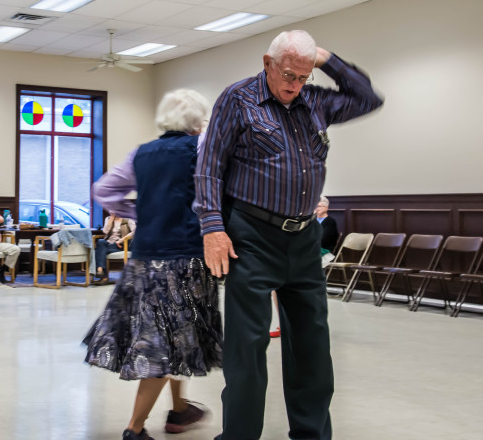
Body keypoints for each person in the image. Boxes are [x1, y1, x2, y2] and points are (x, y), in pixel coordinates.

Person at [195, 30, 383, 440]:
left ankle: (311, 434)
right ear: (267, 63)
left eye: (303, 76)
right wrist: (212, 227)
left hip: (303, 239)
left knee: (313, 345)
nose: (294, 85)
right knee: (247, 346)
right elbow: (209, 165)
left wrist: (326, 59)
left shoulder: (313, 101)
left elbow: (368, 97)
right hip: (251, 236)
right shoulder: (238, 99)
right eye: (287, 75)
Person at [85, 89, 222, 440]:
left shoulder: (141, 153)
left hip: (144, 258)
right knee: (164, 343)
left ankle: (179, 411)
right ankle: (134, 429)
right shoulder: (201, 146)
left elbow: (104, 190)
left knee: (174, 335)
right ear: (197, 121)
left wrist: (140, 211)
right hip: (184, 258)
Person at [94, 213, 135, 284]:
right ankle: (100, 270)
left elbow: (135, 231)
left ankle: (102, 274)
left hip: (122, 245)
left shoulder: (128, 219)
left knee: (100, 251)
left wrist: (121, 240)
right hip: (109, 244)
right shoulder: (108, 218)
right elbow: (105, 231)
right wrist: (111, 219)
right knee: (101, 242)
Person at [316, 196, 339, 267]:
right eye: (315, 206)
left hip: (324, 249)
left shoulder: (330, 222)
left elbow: (323, 239)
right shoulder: (312, 220)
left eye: (319, 206)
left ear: (326, 208)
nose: (317, 208)